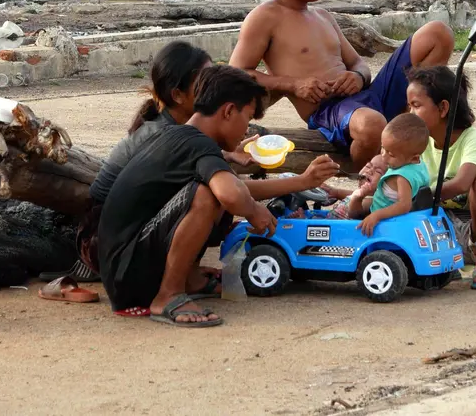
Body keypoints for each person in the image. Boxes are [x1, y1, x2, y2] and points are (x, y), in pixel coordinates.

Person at [97, 65, 341, 327]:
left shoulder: (184, 137)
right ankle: (168, 295)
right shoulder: (196, 144)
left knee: (216, 191)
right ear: (227, 111)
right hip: (129, 275)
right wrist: (254, 211)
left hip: (126, 269)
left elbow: (238, 188)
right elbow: (230, 193)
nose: (246, 130)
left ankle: (188, 279)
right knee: (209, 195)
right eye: (247, 119)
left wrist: (302, 181)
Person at [230, 0, 455, 170]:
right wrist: (293, 85)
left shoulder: (323, 16)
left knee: (437, 34)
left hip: (368, 97)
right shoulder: (264, 17)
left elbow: (359, 64)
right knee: (372, 124)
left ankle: (409, 127)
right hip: (331, 111)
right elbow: (236, 74)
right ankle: (366, 183)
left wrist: (358, 76)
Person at [69, 42, 256, 292]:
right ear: (178, 95)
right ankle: (174, 286)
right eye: (203, 83)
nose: (213, 86)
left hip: (121, 233)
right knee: (208, 194)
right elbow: (227, 189)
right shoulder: (161, 134)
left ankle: (187, 272)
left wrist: (229, 155)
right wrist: (259, 207)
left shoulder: (181, 131)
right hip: (100, 240)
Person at [402, 65, 476, 290]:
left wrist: (416, 196)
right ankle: (443, 265)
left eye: (416, 105)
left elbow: (462, 183)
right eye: (409, 106)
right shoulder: (418, 145)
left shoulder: (474, 141)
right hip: (448, 231)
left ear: (443, 108)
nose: (410, 113)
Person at [339, 114, 433, 237]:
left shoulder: (402, 177)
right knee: (357, 199)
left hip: (385, 220)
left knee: (347, 221)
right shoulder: (418, 165)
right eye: (383, 148)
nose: (384, 155)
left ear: (414, 158)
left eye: (391, 154)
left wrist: (376, 216)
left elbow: (404, 205)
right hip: (381, 206)